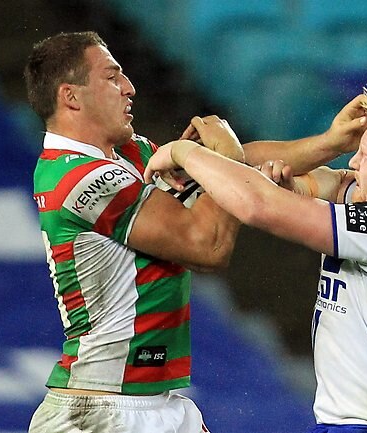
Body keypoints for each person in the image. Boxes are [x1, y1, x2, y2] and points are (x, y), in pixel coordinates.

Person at [144, 67, 367, 433]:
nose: (354, 163)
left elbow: (257, 206)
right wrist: (326, 146)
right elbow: (304, 180)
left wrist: (185, 152)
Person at [23, 31, 243, 433]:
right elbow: (207, 244)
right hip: (101, 411)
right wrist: (229, 158)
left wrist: (326, 145)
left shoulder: (127, 153)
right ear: (71, 96)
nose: (130, 88)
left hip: (152, 403)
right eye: (112, 77)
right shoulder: (79, 177)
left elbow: (230, 168)